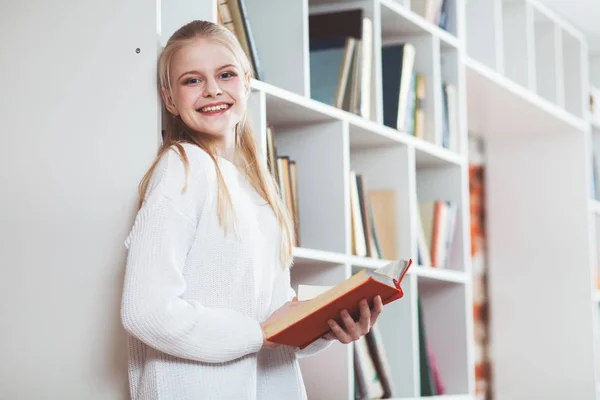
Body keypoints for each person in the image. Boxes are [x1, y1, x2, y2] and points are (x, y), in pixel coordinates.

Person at [120, 19, 385, 400]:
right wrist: (258, 334)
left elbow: (271, 322)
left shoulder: (258, 189)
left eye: (225, 74)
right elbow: (146, 311)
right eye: (191, 80)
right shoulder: (182, 167)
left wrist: (325, 326)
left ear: (246, 82)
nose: (212, 89)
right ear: (169, 100)